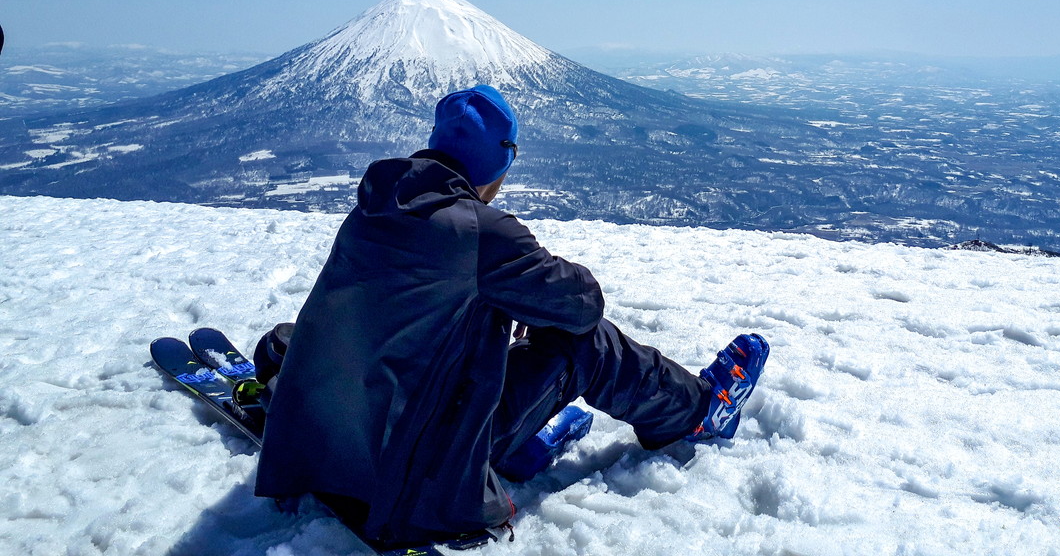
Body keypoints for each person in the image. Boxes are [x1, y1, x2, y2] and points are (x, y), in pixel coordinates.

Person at [254, 84, 768, 549]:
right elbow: (584, 304)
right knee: (586, 345)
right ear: (499, 163)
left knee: (300, 337)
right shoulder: (485, 234)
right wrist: (522, 300)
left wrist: (501, 297)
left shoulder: (376, 203)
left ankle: (512, 445)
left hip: (317, 445)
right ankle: (698, 411)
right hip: (413, 481)